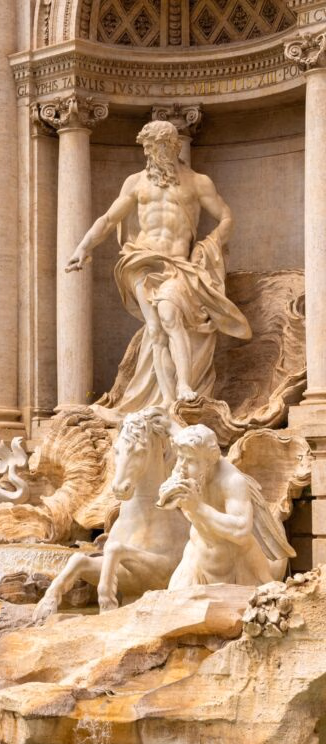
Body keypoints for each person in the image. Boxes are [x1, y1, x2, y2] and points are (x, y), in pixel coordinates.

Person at [67, 120, 251, 411]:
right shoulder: (135, 182)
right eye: (151, 147)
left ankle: (184, 384)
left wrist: (207, 247)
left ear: (175, 146)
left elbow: (226, 216)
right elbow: (108, 219)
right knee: (155, 330)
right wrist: (83, 247)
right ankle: (167, 399)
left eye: (162, 146)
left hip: (178, 264)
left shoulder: (197, 181)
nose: (155, 153)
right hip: (141, 261)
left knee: (169, 315)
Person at [157, 424, 294, 587]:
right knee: (172, 604)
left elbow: (241, 530)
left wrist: (198, 507)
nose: (181, 466)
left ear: (210, 461)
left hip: (238, 566)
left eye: (191, 460)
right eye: (180, 457)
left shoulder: (232, 481)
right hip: (196, 555)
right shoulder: (187, 470)